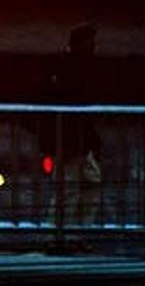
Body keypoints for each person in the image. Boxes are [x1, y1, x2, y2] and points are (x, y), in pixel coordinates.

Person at [42, 24, 103, 227]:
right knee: (72, 190)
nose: (93, 47)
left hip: (74, 141)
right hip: (70, 141)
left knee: (77, 188)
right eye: (90, 43)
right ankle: (64, 235)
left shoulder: (66, 67)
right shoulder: (71, 69)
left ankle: (67, 234)